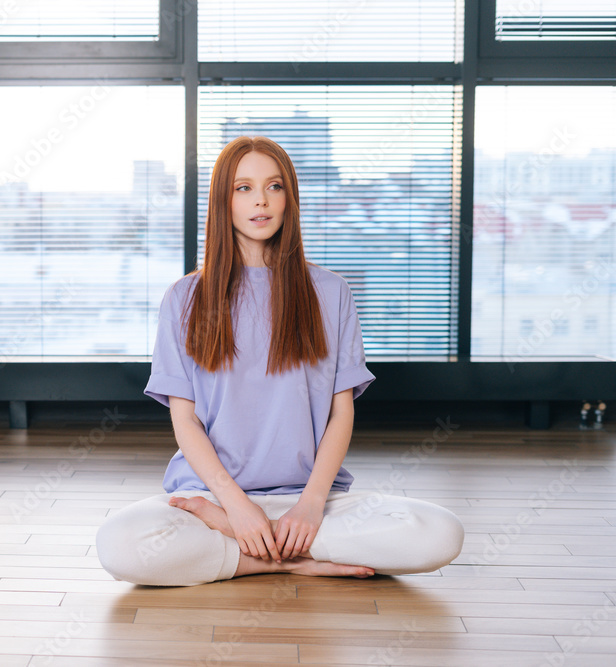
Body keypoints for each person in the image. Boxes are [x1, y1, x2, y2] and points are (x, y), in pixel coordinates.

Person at [95, 136, 464, 587]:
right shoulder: (184, 298)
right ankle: (289, 559)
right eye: (243, 188)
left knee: (440, 534)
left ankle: (255, 550)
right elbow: (185, 421)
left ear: (289, 197)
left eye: (274, 186)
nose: (261, 201)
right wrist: (235, 509)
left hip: (310, 503)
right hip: (211, 500)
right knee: (121, 545)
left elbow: (340, 413)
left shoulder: (331, 292)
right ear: (222, 201)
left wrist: (310, 507)